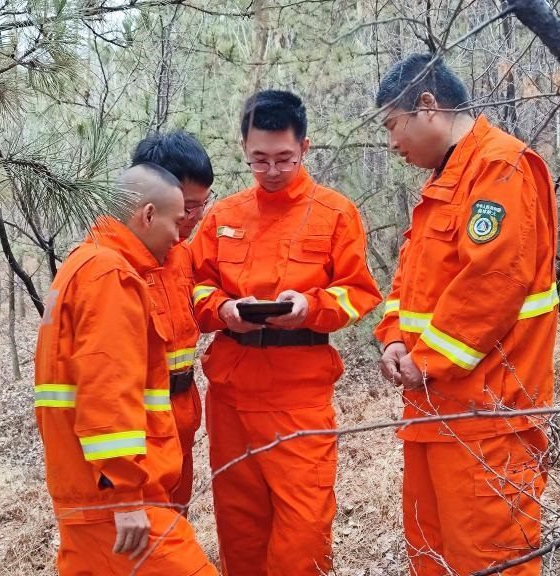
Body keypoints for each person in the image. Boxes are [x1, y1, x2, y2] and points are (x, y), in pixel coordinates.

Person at [373, 53, 559, 576]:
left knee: (491, 560)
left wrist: (426, 360)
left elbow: (493, 282)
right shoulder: (444, 181)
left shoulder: (500, 167)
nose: (392, 143)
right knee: (431, 557)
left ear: (427, 105)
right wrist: (393, 338)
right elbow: (410, 281)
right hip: (432, 414)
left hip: (487, 418)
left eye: (393, 125)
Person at [190, 89, 382, 575]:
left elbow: (358, 292)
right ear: (243, 149)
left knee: (303, 532)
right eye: (259, 160)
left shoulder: (335, 213)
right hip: (231, 394)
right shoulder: (223, 216)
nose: (272, 170)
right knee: (240, 527)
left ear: (305, 148)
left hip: (299, 397)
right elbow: (193, 287)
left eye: (284, 159)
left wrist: (311, 307)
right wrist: (224, 309)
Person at [33, 164, 217, 575]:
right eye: (175, 221)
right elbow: (107, 392)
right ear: (148, 215)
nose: (178, 236)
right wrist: (126, 495)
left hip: (87, 492)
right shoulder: (110, 275)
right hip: (112, 498)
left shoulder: (82, 264)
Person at [131, 131, 216, 511]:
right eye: (189, 207)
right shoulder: (115, 267)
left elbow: (199, 312)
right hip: (137, 431)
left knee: (174, 522)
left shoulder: (183, 256)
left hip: (181, 420)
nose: (193, 218)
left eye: (202, 205)